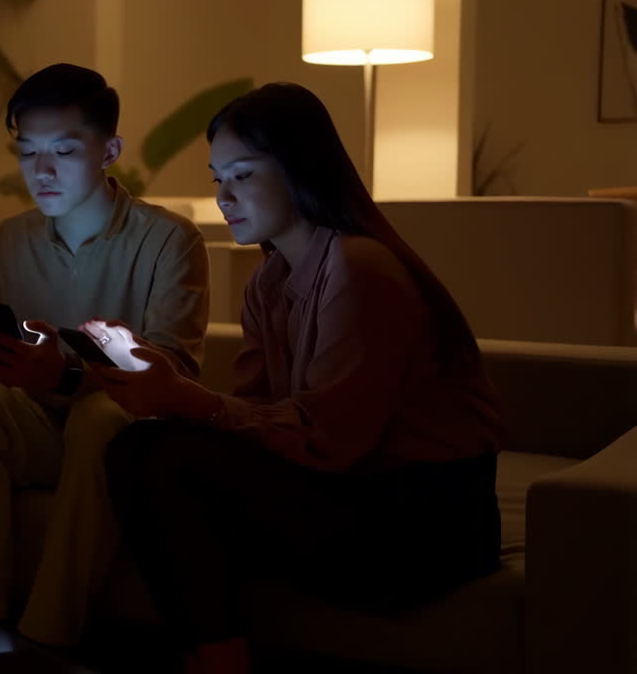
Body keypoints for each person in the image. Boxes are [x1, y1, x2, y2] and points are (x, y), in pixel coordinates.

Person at [93, 82, 504, 674]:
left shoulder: (361, 270)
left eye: (241, 175)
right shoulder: (269, 279)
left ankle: (218, 659)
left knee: (162, 457)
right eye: (217, 180)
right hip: (348, 487)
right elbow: (259, 413)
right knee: (142, 448)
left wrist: (190, 402)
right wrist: (165, 395)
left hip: (421, 520)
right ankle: (214, 652)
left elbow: (329, 440)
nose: (225, 197)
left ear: (298, 168)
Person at [0, 63, 211, 666]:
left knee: (100, 417)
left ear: (109, 150)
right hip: (36, 425)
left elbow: (174, 374)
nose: (42, 170)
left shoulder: (170, 240)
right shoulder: (10, 240)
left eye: (64, 150)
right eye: (28, 152)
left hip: (126, 430)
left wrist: (63, 374)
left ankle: (48, 635)